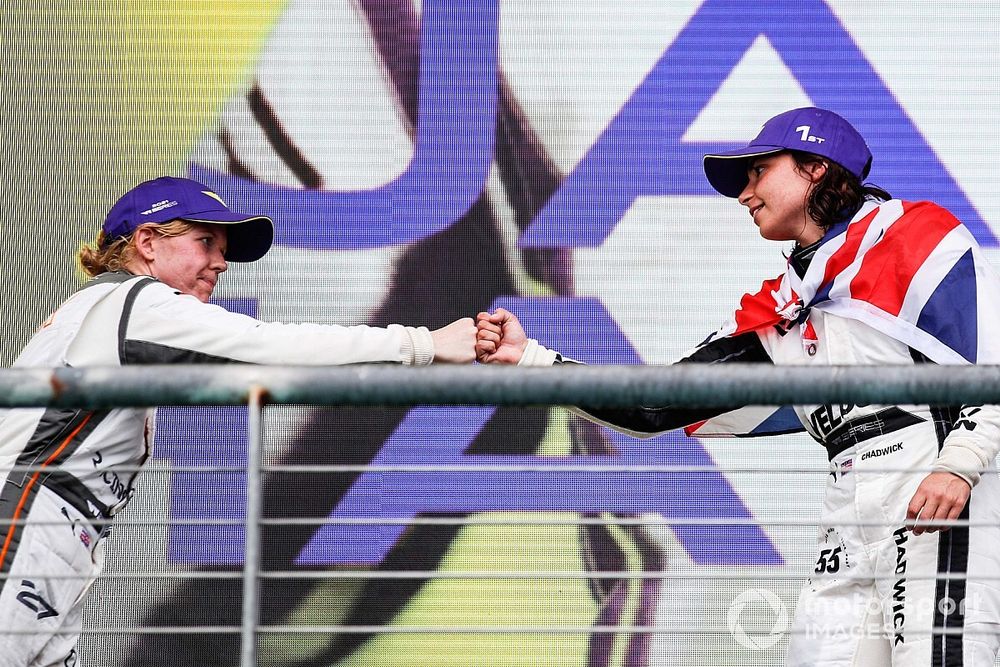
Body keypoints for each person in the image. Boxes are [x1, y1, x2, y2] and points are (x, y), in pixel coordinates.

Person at [475, 107, 1000, 665]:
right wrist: (531, 358)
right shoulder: (780, 310)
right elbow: (654, 402)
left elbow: (991, 355)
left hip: (935, 481)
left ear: (815, 167)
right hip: (848, 498)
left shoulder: (913, 235)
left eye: (757, 172)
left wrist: (960, 462)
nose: (744, 194)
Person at [0, 176, 477, 666]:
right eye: (204, 241)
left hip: (52, 531)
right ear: (146, 242)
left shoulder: (112, 307)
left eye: (221, 248)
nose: (220, 262)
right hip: (27, 520)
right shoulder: (136, 301)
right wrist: (425, 344)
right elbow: (270, 348)